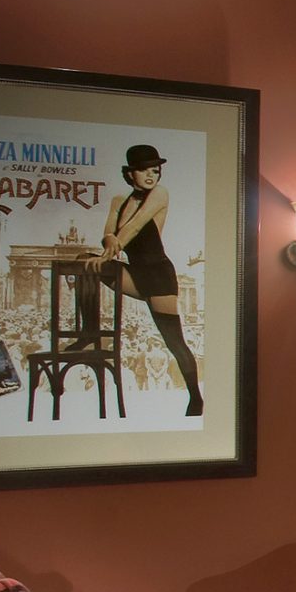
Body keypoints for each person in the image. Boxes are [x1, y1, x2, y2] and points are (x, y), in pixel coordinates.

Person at [98, 144, 201, 414]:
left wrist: (111, 247)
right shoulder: (118, 201)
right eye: (144, 169)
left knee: (174, 341)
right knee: (85, 264)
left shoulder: (159, 195)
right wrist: (108, 241)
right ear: (130, 172)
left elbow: (133, 227)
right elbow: (110, 231)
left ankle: (196, 398)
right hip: (135, 274)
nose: (151, 175)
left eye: (155, 170)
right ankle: (86, 336)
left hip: (158, 276)